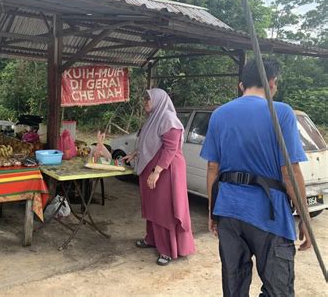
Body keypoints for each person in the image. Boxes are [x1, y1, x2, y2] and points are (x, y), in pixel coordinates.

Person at [200, 59, 311, 297]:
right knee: (277, 290)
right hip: (269, 215)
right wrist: (306, 219)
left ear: (242, 85)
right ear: (272, 83)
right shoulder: (281, 112)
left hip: (228, 212)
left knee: (234, 286)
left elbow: (212, 168)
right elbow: (289, 174)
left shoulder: (220, 114)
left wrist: (213, 212)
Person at [124, 88, 195, 266]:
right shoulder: (153, 119)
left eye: (148, 100)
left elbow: (170, 149)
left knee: (164, 210)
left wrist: (156, 172)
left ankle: (168, 250)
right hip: (154, 170)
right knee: (152, 208)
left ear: (158, 101)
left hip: (166, 171)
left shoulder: (169, 119)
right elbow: (149, 142)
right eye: (145, 100)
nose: (145, 103)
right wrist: (135, 153)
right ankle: (152, 240)